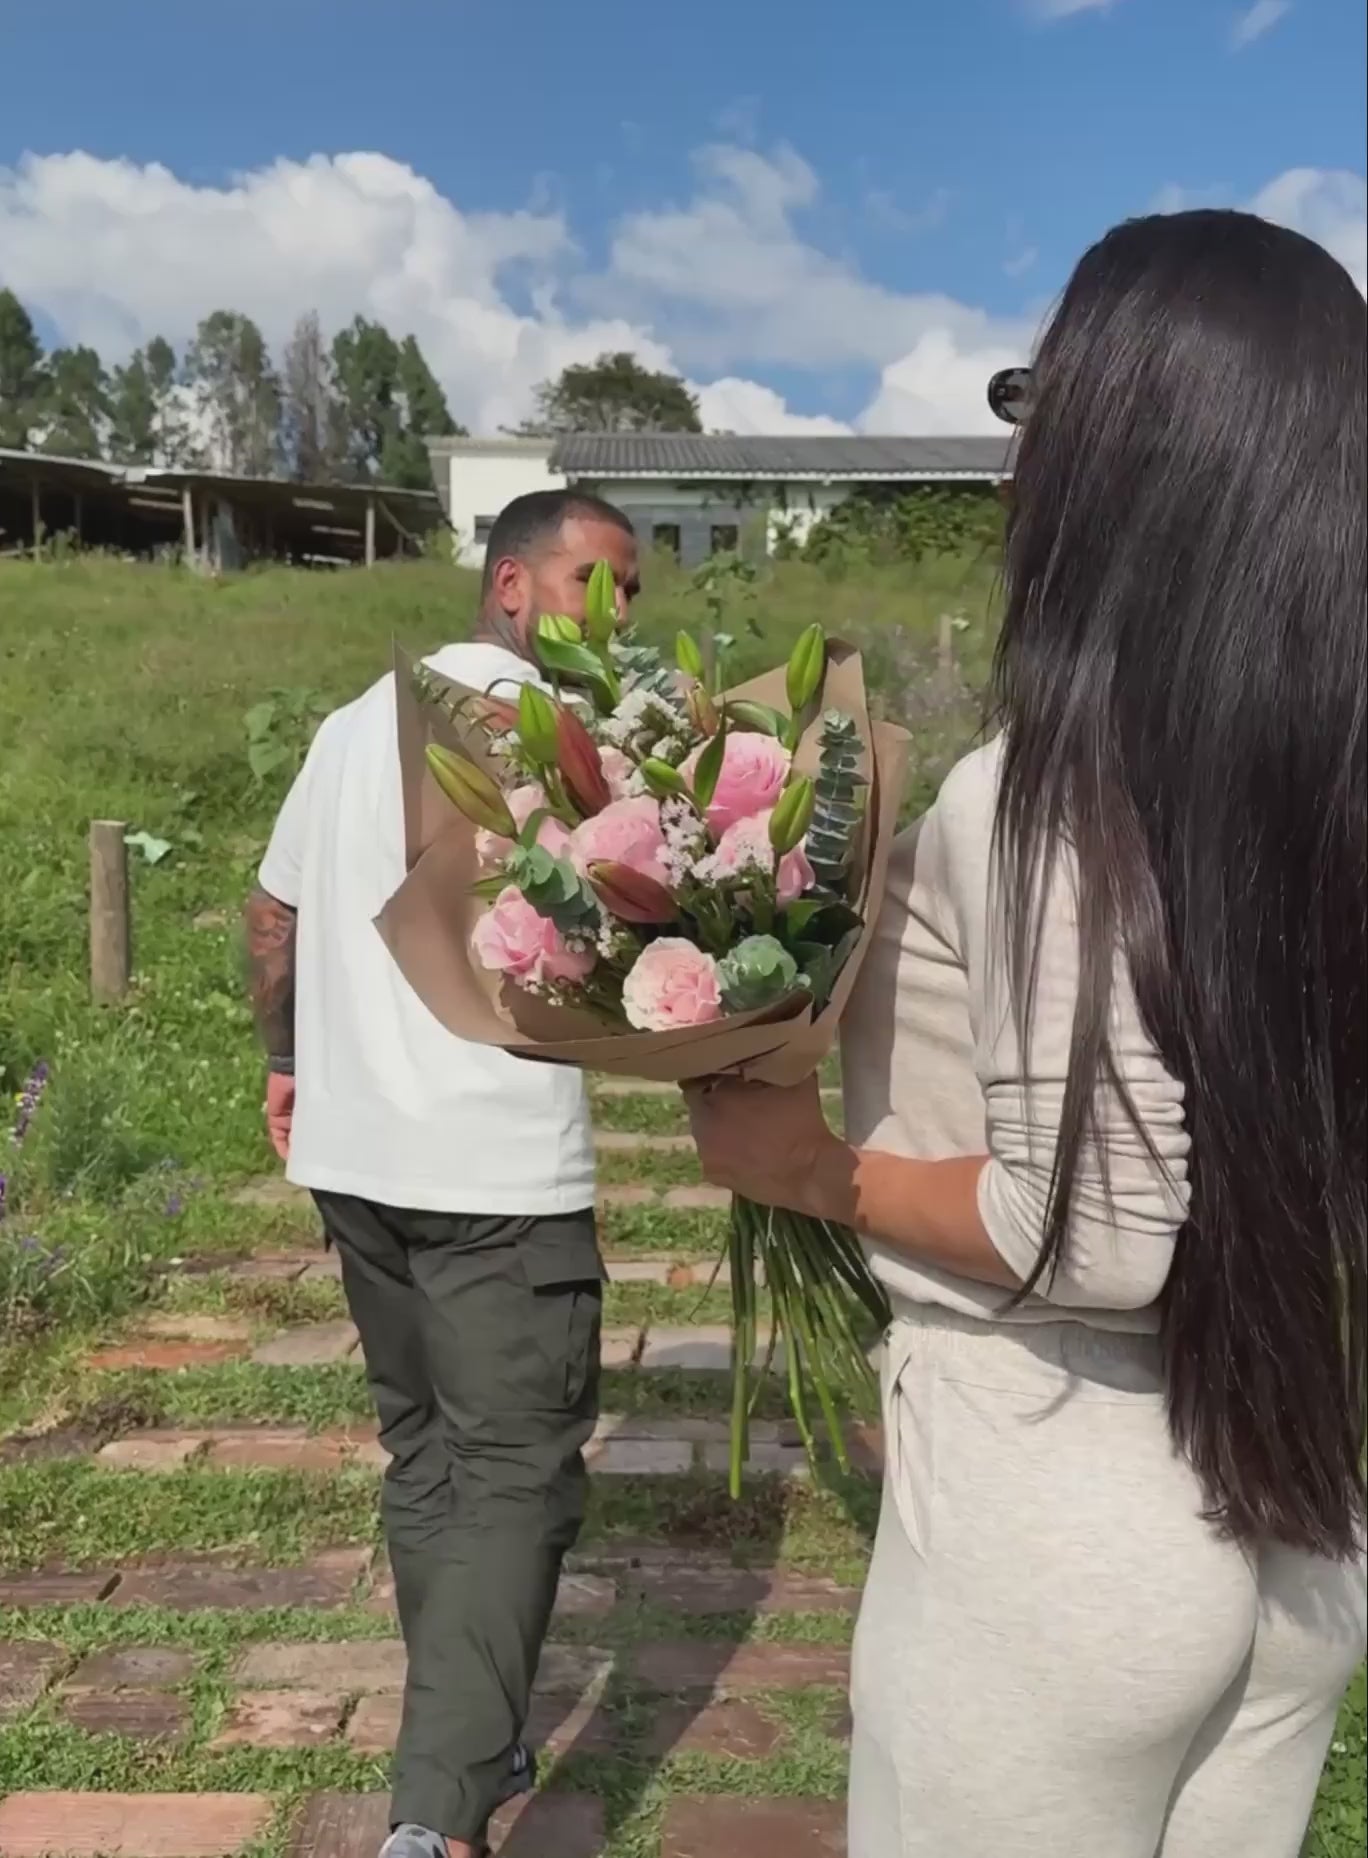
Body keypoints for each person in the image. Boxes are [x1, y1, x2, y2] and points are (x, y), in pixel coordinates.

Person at [686, 209, 1366, 1858]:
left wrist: (818, 1170)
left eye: (1034, 399)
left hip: (1059, 1518)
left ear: (1122, 447)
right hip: (1291, 1504)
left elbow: (1094, 1229)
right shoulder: (1323, 784)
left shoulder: (1051, 793)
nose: (1016, 453)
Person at [244, 490, 641, 1858]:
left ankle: (463, 1727)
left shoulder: (356, 721)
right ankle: (441, 1814)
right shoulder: (543, 736)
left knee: (427, 1453)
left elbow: (275, 902)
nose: (624, 612)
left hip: (358, 1162)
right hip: (495, 1173)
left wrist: (290, 1057)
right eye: (604, 583)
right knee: (516, 1468)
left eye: (636, 592)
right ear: (515, 586)